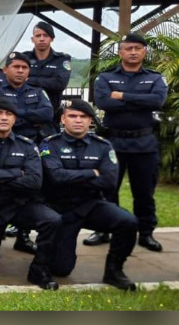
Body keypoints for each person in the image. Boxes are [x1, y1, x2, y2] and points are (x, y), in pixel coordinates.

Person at [40, 99, 138, 290]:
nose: (78, 120)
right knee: (61, 269)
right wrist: (92, 173)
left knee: (128, 222)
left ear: (90, 121)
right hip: (61, 210)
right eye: (73, 116)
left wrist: (72, 178)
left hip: (91, 204)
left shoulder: (102, 145)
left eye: (83, 117)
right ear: (62, 119)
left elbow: (109, 181)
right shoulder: (49, 144)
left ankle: (114, 271)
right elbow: (55, 177)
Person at [0, 98, 62, 290]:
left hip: (20, 205)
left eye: (9, 114)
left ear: (15, 120)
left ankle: (39, 269)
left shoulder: (27, 145)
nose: (3, 118)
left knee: (53, 220)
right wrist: (18, 173)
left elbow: (35, 181)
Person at [88, 33, 167, 251]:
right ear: (121, 52)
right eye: (128, 48)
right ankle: (104, 229)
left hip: (144, 144)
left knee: (144, 192)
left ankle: (146, 233)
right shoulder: (105, 77)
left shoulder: (155, 78)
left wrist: (122, 96)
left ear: (144, 52)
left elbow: (158, 101)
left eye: (138, 48)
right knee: (107, 189)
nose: (133, 52)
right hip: (112, 143)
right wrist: (141, 101)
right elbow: (103, 102)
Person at [0, 51, 56, 253]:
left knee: (33, 192)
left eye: (24, 68)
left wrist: (15, 113)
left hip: (30, 147)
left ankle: (23, 236)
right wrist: (29, 117)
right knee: (1, 187)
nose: (20, 71)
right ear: (5, 69)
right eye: (16, 67)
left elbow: (47, 114)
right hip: (2, 146)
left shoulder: (37, 91)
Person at [23, 21, 72, 112]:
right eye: (38, 36)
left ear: (52, 39)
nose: (42, 39)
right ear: (32, 39)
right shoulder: (24, 58)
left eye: (45, 35)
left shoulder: (61, 59)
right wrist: (48, 81)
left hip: (51, 113)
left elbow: (59, 84)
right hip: (26, 112)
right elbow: (17, 81)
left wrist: (30, 80)